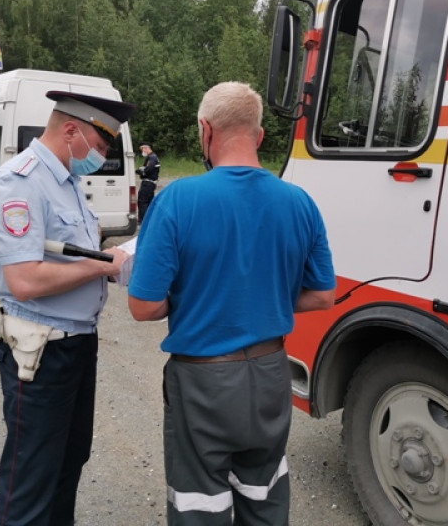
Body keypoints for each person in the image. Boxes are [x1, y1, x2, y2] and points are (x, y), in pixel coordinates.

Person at [127, 82, 336, 525]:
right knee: (264, 494)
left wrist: (194, 299)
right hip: (271, 375)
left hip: (202, 381)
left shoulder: (177, 201)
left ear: (206, 130)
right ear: (258, 136)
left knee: (199, 503)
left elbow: (143, 307)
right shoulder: (300, 203)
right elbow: (323, 294)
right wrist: (266, 298)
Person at [0, 90, 135, 526]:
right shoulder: (20, 183)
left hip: (77, 344)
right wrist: (97, 267)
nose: (100, 158)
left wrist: (108, 261)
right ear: (70, 131)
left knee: (68, 461)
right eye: (100, 147)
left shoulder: (65, 182)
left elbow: (68, 256)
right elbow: (24, 280)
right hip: (41, 351)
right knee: (32, 473)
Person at [135, 143, 160, 222]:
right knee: (149, 202)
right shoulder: (153, 157)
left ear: (147, 148)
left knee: (142, 201)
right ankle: (150, 220)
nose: (142, 151)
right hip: (151, 183)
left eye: (143, 149)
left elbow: (148, 169)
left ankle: (144, 220)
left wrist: (140, 171)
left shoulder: (152, 158)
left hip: (148, 183)